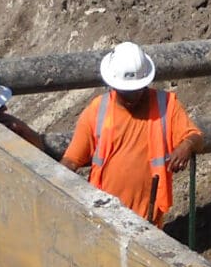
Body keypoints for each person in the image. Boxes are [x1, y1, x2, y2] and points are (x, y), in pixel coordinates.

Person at [61, 42, 202, 229]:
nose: (132, 98)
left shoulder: (166, 105)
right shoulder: (98, 110)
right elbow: (71, 160)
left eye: (137, 90)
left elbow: (196, 137)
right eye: (126, 93)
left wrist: (187, 145)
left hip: (148, 218)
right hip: (104, 215)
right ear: (113, 85)